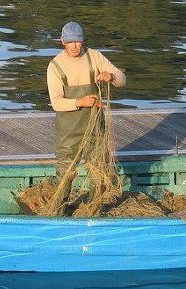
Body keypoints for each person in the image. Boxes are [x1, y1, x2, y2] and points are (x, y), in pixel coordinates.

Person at [46, 21, 126, 177]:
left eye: (77, 41)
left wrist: (111, 76)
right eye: (70, 42)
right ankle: (62, 200)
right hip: (68, 131)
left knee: (99, 169)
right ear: (63, 42)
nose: (75, 46)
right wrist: (79, 102)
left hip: (95, 126)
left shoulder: (94, 56)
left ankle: (98, 200)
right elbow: (56, 102)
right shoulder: (55, 65)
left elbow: (122, 79)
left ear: (83, 40)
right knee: (65, 172)